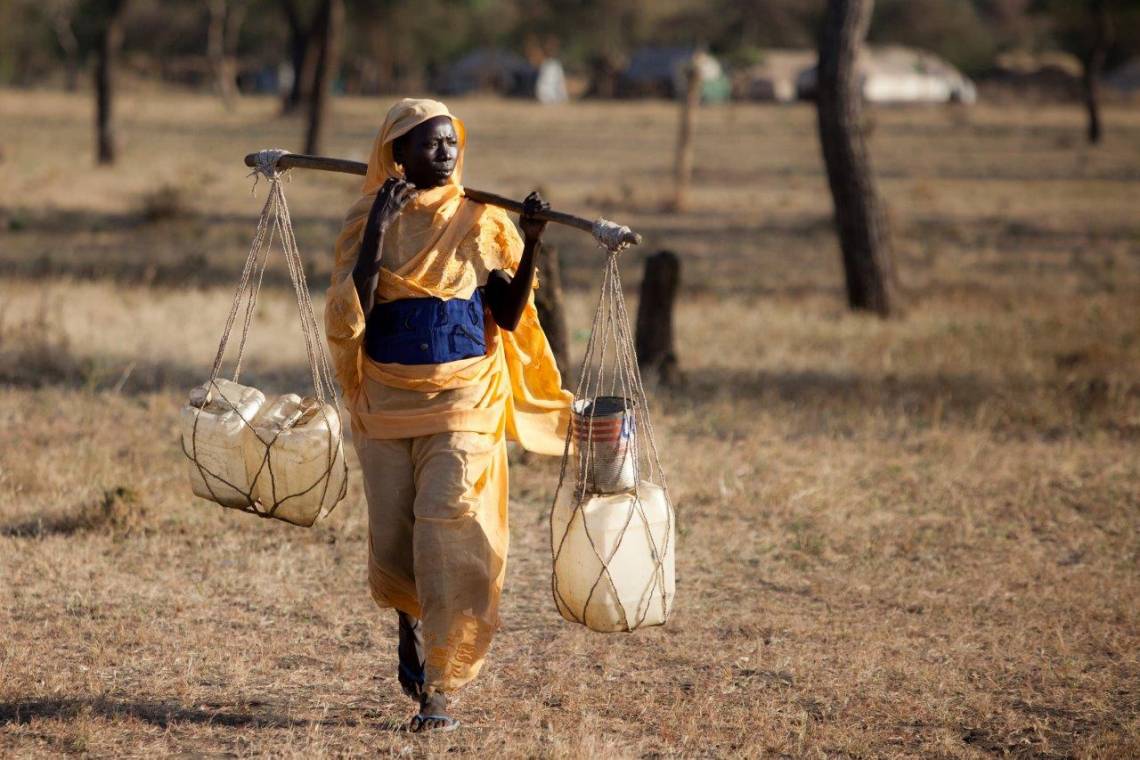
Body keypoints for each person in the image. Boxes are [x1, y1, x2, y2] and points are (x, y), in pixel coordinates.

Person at [324, 98, 572, 732]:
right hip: (387, 402)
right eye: (429, 144)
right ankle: (410, 620)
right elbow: (352, 307)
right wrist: (381, 219)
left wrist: (534, 241)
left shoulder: (482, 217)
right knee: (398, 541)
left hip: (465, 399)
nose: (445, 153)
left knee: (450, 529)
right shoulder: (365, 217)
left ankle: (440, 687)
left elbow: (511, 315)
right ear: (396, 154)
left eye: (451, 143)